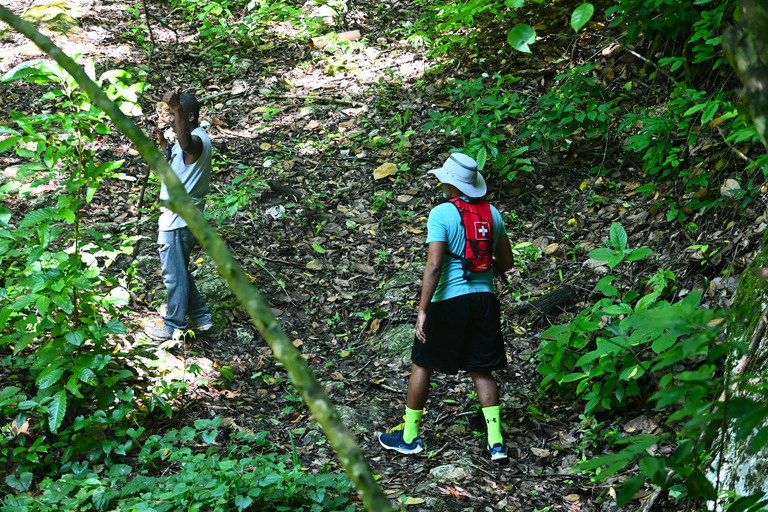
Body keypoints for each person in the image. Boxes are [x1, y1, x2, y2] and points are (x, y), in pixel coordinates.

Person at [378, 153, 515, 463]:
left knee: (422, 363)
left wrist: (423, 310)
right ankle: (496, 443)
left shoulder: (441, 214)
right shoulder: (492, 213)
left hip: (448, 300)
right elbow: (506, 262)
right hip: (485, 299)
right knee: (481, 368)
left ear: (450, 184)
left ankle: (410, 437)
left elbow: (435, 265)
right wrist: (482, 271)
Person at [144, 89, 213, 341]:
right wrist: (163, 145)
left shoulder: (197, 140)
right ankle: (201, 317)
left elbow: (187, 146)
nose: (170, 119)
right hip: (181, 219)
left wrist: (178, 108)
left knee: (173, 276)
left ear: (190, 116)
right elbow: (178, 165)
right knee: (179, 271)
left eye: (174, 114)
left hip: (178, 221)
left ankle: (174, 327)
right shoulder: (187, 144)